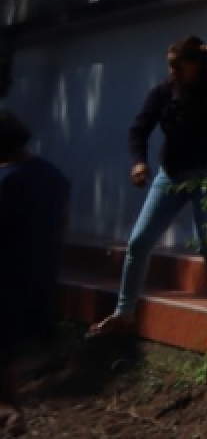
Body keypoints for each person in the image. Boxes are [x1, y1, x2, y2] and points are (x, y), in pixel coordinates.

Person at [88, 37, 207, 337]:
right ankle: (124, 312)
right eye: (170, 66)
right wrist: (139, 162)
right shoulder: (164, 92)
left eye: (178, 66)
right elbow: (140, 128)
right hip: (172, 175)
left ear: (197, 65)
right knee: (139, 241)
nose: (172, 72)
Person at [0, 109, 70, 435]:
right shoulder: (52, 175)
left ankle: (9, 410)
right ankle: (9, 409)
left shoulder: (6, 181)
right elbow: (62, 224)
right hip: (39, 279)